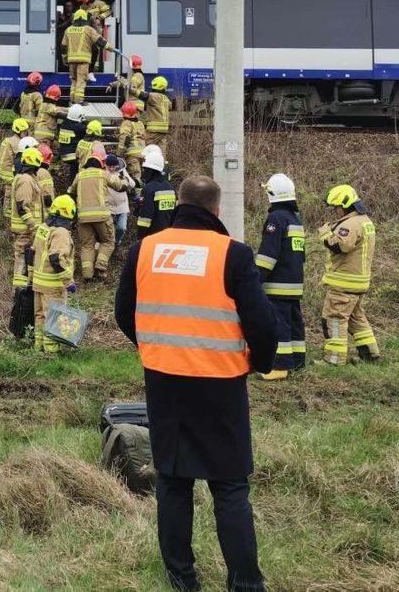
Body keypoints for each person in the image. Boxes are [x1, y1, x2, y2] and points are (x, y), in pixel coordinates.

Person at [114, 175, 278, 592]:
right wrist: (257, 363)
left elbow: (123, 312)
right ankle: (245, 583)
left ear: (178, 206)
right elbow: (263, 325)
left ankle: (181, 578)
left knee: (173, 482)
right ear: (216, 211)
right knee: (229, 486)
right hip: (221, 384)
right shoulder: (233, 254)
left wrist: (155, 348)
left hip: (164, 382)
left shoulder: (144, 250)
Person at [318, 185, 379, 365]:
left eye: (336, 207)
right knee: (356, 318)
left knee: (334, 319)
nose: (335, 211)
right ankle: (370, 355)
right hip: (358, 283)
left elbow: (339, 246)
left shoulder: (350, 224)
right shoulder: (365, 221)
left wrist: (325, 233)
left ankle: (334, 359)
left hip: (344, 285)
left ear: (345, 205)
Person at [255, 174, 307, 379]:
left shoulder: (276, 219)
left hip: (277, 284)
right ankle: (297, 361)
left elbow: (268, 255)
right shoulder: (295, 219)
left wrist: (255, 278)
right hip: (294, 282)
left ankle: (279, 367)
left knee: (279, 325)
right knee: (294, 323)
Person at [68, 143, 127, 282]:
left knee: (87, 246)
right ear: (101, 163)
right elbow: (120, 186)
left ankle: (87, 275)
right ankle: (101, 265)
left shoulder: (79, 176)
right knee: (108, 241)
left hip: (83, 218)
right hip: (102, 216)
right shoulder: (104, 174)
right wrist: (124, 180)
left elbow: (71, 191)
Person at [30, 195, 79, 354]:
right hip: (53, 285)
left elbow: (31, 253)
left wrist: (31, 277)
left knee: (40, 316)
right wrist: (68, 282)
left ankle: (39, 348)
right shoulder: (61, 233)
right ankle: (52, 352)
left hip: (38, 282)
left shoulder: (43, 228)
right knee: (54, 317)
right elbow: (56, 259)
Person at [9, 147, 46, 290]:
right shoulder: (25, 180)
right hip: (25, 230)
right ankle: (18, 294)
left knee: (27, 262)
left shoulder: (29, 179)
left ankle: (25, 292)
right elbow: (23, 207)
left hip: (28, 230)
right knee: (22, 262)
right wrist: (34, 226)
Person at [61, 8, 112, 104]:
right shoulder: (89, 30)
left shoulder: (68, 30)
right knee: (81, 80)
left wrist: (64, 58)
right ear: (85, 19)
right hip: (83, 61)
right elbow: (99, 41)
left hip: (72, 60)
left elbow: (63, 46)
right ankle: (79, 101)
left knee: (74, 80)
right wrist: (111, 48)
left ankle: (72, 100)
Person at [135, 145, 176, 237]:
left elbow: (144, 220)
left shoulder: (148, 189)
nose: (144, 171)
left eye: (145, 169)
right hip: (169, 236)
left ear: (150, 170)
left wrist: (140, 238)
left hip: (153, 236)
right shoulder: (170, 188)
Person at [0, 118, 32, 219]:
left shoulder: (10, 140)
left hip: (5, 170)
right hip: (8, 171)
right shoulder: (16, 143)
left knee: (10, 190)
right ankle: (8, 215)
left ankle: (9, 213)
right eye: (24, 131)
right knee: (10, 191)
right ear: (18, 131)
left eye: (26, 131)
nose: (26, 133)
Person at [105, 154, 135, 251]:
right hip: (109, 207)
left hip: (122, 206)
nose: (111, 168)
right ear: (106, 165)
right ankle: (110, 244)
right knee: (109, 230)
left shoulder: (121, 172)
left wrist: (124, 175)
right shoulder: (103, 174)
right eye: (109, 166)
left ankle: (117, 242)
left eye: (113, 166)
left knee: (121, 228)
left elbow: (132, 184)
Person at [56, 103, 87, 184]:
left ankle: (72, 185)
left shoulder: (64, 124)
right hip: (72, 155)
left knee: (73, 170)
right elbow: (87, 129)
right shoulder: (79, 127)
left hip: (63, 153)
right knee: (76, 169)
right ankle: (74, 186)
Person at [116, 101, 147, 180]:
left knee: (136, 177)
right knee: (143, 177)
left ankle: (137, 188)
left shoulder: (126, 123)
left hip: (132, 155)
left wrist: (119, 154)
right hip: (143, 154)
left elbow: (125, 139)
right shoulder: (140, 123)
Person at [34, 84, 67, 150]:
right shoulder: (49, 106)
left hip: (43, 135)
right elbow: (58, 112)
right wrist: (70, 115)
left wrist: (69, 109)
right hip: (44, 136)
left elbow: (57, 108)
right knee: (44, 153)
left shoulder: (44, 104)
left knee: (56, 149)